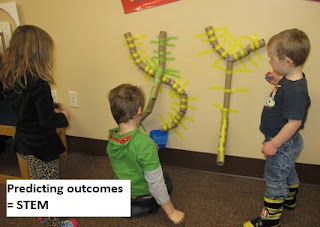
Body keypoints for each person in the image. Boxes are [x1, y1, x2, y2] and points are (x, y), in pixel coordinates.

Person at [0, 25, 77, 227]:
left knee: (37, 180)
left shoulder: (11, 78)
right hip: (42, 146)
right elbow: (47, 121)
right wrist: (64, 117)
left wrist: (49, 110)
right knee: (50, 185)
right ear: (38, 54)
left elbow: (28, 108)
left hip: (23, 142)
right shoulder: (39, 83)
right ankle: (54, 223)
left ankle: (41, 212)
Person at [244, 29, 311, 227]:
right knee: (286, 170)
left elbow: (294, 122)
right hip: (286, 144)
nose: (270, 62)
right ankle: (290, 198)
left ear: (288, 62)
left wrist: (273, 144)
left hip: (282, 144)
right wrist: (278, 81)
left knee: (274, 178)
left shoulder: (295, 91)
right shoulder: (291, 81)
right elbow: (289, 94)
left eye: (272, 59)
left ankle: (270, 220)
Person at [107, 84, 185, 224]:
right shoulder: (145, 144)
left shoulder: (112, 137)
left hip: (122, 192)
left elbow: (129, 156)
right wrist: (172, 212)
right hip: (141, 196)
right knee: (165, 181)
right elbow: (156, 183)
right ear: (139, 111)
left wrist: (149, 151)